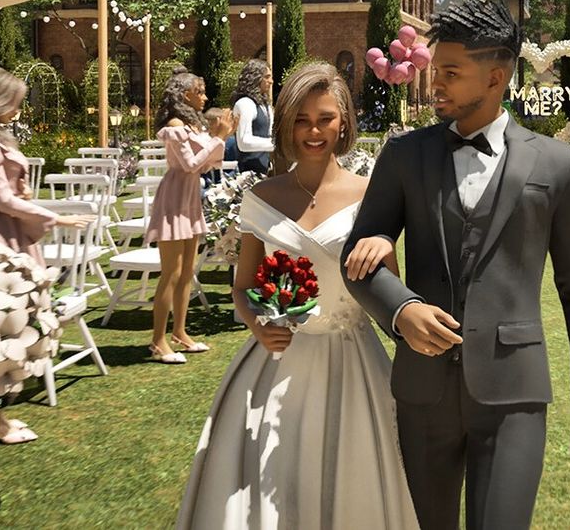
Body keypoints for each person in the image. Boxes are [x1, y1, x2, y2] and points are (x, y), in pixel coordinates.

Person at [341, 0, 570, 530]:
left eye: (450, 73)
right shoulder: (403, 156)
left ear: (496, 77)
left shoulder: (558, 165)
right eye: (434, 70)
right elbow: (360, 256)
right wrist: (401, 310)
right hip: (422, 391)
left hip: (514, 392)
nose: (433, 83)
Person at [177, 63, 419, 529]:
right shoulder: (260, 197)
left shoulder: (372, 196)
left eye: (325, 118)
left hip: (354, 363)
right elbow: (243, 287)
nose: (314, 130)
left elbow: (389, 292)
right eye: (303, 119)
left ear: (344, 121)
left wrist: (387, 246)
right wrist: (258, 324)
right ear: (287, 123)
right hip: (275, 363)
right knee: (270, 486)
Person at [0, 68, 94, 445]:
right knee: (1, 324)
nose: (17, 110)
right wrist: (56, 215)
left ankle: (0, 415)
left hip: (10, 228)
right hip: (2, 234)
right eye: (14, 102)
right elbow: (1, 200)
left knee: (8, 321)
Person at [145, 68, 236, 363]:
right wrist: (218, 137)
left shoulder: (193, 127)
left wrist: (219, 139)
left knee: (187, 272)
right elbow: (188, 163)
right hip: (174, 199)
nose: (205, 97)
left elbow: (205, 164)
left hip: (190, 198)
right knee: (170, 273)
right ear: (186, 95)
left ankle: (180, 333)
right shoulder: (174, 126)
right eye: (200, 91)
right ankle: (158, 340)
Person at [232, 59, 274, 174]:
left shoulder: (266, 106)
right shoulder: (245, 104)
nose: (271, 81)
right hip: (247, 173)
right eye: (267, 77)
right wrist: (276, 144)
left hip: (264, 171)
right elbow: (244, 142)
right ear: (254, 78)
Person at [200, 107, 228, 186]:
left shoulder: (227, 139)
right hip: (206, 178)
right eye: (208, 120)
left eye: (212, 121)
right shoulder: (203, 138)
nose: (209, 124)